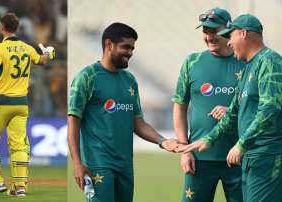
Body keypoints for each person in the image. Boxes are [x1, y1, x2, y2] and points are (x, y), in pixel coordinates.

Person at [68, 22, 179, 202]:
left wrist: (162, 141)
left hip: (125, 165)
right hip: (99, 164)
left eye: (132, 48)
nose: (130, 52)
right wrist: (77, 164)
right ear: (109, 45)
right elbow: (73, 121)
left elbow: (137, 121)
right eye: (125, 47)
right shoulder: (87, 77)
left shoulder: (130, 80)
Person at [178, 14, 282, 202]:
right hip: (251, 158)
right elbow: (234, 112)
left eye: (230, 36)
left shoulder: (270, 61)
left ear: (243, 34)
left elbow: (269, 110)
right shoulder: (248, 67)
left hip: (267, 156)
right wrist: (209, 139)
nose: (228, 42)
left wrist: (241, 144)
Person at [0, 12, 55, 197]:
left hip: (1, 101)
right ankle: (20, 187)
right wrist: (49, 53)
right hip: (21, 104)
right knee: (19, 145)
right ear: (16, 28)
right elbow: (43, 61)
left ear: (1, 27)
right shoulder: (27, 48)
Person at [172, 8, 245, 202]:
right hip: (199, 159)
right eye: (205, 31)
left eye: (214, 31)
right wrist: (184, 150)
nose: (209, 37)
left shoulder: (247, 62)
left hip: (239, 156)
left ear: (229, 30)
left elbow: (258, 106)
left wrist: (232, 111)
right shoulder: (192, 62)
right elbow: (179, 106)